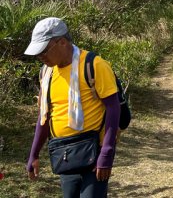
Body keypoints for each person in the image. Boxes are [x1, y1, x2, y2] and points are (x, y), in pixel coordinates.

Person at [24, 17, 120, 198]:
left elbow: (113, 109)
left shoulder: (95, 65)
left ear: (61, 42)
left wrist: (107, 153)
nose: (41, 57)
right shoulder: (46, 73)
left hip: (93, 151)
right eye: (38, 54)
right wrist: (34, 154)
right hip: (65, 154)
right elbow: (44, 116)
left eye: (44, 51)